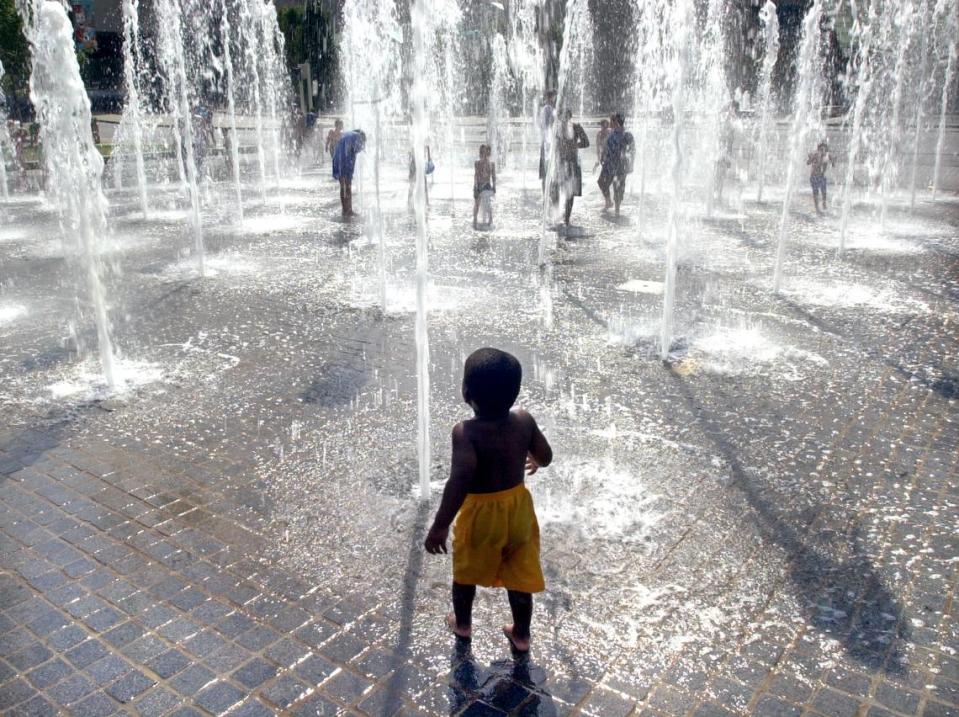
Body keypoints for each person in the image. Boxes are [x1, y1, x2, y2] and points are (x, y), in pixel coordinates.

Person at [424, 348, 553, 654]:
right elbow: (546, 456)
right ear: (515, 391)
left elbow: (460, 480)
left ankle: (463, 623)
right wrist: (533, 458)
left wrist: (440, 526)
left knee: (466, 571)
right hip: (518, 510)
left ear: (466, 392)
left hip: (481, 515)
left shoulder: (466, 433)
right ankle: (521, 634)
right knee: (520, 573)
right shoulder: (524, 419)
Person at [550, 109, 589, 227]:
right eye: (562, 117)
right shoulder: (556, 129)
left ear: (569, 117)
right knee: (555, 189)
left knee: (570, 192)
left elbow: (586, 142)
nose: (564, 120)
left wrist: (575, 145)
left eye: (566, 117)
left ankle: (566, 219)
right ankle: (556, 216)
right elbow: (553, 146)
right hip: (560, 163)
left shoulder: (576, 127)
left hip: (572, 163)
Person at [598, 112, 634, 216]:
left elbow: (632, 150)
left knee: (617, 188)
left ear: (616, 122)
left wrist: (630, 164)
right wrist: (602, 156)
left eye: (611, 121)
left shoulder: (627, 134)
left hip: (620, 166)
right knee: (601, 182)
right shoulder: (612, 133)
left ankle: (617, 211)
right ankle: (608, 201)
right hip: (609, 165)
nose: (610, 123)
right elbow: (606, 146)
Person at [332, 129, 366, 219]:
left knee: (342, 186)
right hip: (346, 159)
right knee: (348, 185)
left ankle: (344, 210)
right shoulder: (358, 137)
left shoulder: (347, 134)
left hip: (337, 158)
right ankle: (349, 210)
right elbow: (356, 150)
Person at [537, 90, 557, 192]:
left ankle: (546, 194)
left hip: (545, 141)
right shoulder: (549, 109)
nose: (555, 99)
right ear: (551, 97)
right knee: (547, 170)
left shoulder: (544, 109)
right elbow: (549, 125)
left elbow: (542, 125)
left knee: (546, 171)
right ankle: (547, 193)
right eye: (554, 97)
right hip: (548, 143)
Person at [473, 144, 496, 229]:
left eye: (486, 153)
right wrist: (475, 186)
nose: (485, 155)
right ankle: (475, 220)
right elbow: (476, 175)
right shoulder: (478, 163)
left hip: (486, 185)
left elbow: (493, 176)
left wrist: (494, 186)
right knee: (477, 204)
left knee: (487, 204)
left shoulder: (491, 164)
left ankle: (490, 221)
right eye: (483, 153)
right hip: (479, 185)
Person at [807, 141, 833, 214]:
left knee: (824, 192)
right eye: (821, 149)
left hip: (821, 176)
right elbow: (808, 163)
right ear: (818, 149)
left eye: (824, 149)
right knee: (815, 192)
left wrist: (833, 161)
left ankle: (824, 204)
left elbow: (833, 163)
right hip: (814, 176)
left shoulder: (828, 155)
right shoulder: (815, 154)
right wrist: (811, 158)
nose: (822, 151)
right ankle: (817, 208)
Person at [408, 145, 433, 210]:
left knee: (417, 186)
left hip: (420, 166)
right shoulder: (418, 145)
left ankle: (425, 203)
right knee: (413, 186)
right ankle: (411, 202)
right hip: (416, 166)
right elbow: (410, 157)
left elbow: (410, 156)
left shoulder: (423, 146)